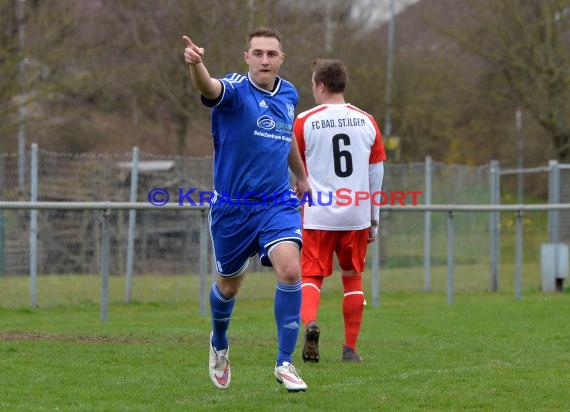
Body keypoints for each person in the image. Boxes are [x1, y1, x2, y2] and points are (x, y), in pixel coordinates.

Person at [183, 28, 310, 392]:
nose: (265, 60)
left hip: (276, 202)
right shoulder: (236, 90)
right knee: (229, 285)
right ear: (247, 56)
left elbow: (286, 137)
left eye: (271, 53)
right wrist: (197, 65)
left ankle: (285, 363)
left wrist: (301, 176)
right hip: (232, 209)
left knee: (289, 271)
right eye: (258, 53)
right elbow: (208, 88)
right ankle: (219, 341)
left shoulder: (289, 93)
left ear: (281, 58)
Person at [293, 58, 386, 363]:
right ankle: (350, 348)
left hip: (318, 213)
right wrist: (374, 220)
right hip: (356, 213)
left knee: (311, 276)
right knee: (353, 277)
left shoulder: (305, 121)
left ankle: (311, 324)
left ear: (320, 85)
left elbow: (296, 170)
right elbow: (376, 174)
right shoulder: (367, 121)